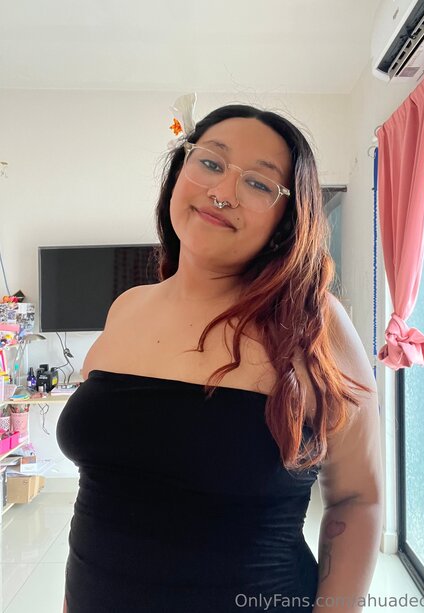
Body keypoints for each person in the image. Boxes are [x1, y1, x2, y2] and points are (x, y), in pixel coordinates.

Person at [57, 101, 383, 613]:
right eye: (210, 162)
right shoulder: (127, 307)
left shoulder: (314, 323)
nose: (223, 192)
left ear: (286, 218)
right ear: (179, 171)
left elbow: (357, 500)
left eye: (258, 183)